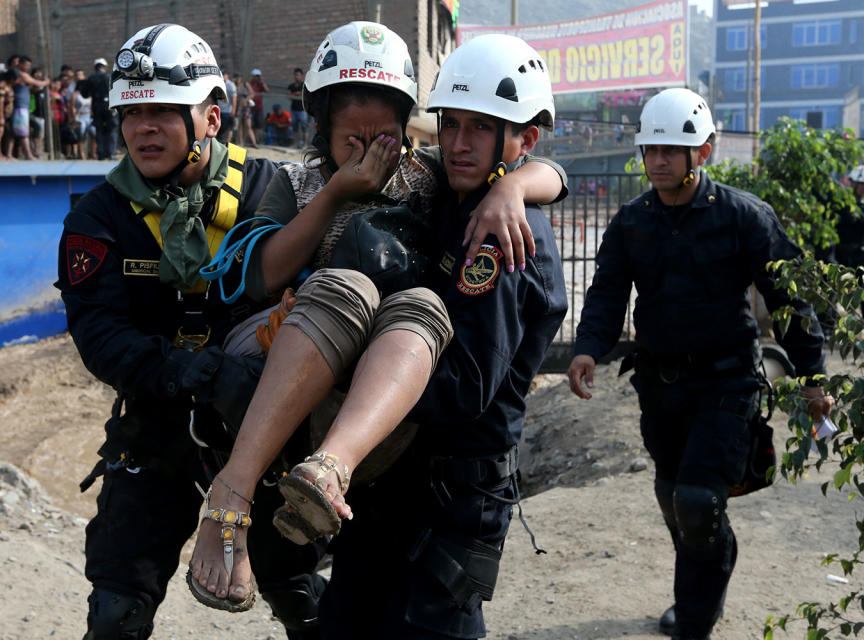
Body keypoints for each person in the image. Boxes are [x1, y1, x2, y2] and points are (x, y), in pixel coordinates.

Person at [186, 24, 566, 635]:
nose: (461, 142)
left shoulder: (453, 196)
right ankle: (234, 495)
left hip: (440, 478)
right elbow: (259, 276)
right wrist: (338, 195)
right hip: (351, 437)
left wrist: (521, 183)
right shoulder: (306, 185)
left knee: (418, 302)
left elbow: (467, 385)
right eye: (453, 126)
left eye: (382, 138)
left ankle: (319, 477)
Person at [55, 24, 346, 640]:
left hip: (259, 426)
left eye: (163, 110)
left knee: (300, 592)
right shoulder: (97, 216)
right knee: (116, 608)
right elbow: (98, 332)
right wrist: (181, 370)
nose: (143, 127)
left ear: (211, 117)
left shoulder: (274, 189)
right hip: (158, 421)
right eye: (132, 112)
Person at [566, 88, 834, 640]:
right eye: (650, 150)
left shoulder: (744, 217)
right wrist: (587, 348)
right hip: (660, 386)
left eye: (670, 150)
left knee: (696, 501)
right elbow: (608, 294)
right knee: (674, 499)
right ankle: (714, 559)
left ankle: (694, 621)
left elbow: (790, 304)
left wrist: (812, 381)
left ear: (703, 153)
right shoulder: (630, 223)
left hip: (728, 382)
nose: (658, 161)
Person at [83, 57, 118, 159]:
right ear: (105, 67)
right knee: (111, 129)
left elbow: (84, 94)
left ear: (95, 67)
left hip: (96, 107)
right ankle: (111, 153)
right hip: (109, 106)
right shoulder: (108, 77)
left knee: (99, 130)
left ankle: (101, 154)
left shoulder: (90, 78)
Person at [837, 166, 864, 269]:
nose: (863, 188)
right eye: (861, 184)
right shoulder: (842, 202)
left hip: (858, 258)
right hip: (840, 255)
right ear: (852, 182)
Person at [287, 67, 307, 149]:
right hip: (294, 109)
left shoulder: (305, 85)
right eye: (295, 75)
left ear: (302, 76)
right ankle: (295, 144)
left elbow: (306, 94)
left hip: (303, 110)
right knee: (294, 128)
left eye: (298, 75)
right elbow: (288, 96)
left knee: (304, 127)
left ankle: (305, 144)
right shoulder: (291, 86)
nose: (296, 77)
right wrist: (296, 94)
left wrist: (299, 93)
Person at [216, 68, 237, 145]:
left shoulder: (231, 85)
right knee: (218, 127)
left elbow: (234, 98)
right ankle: (219, 142)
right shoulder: (218, 83)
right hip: (219, 109)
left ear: (227, 76)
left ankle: (226, 143)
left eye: (224, 74)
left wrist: (233, 110)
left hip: (227, 111)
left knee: (226, 128)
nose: (222, 76)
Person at [247, 67, 269, 141]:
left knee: (258, 125)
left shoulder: (261, 84)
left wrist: (262, 82)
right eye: (255, 76)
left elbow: (267, 90)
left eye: (258, 76)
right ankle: (250, 139)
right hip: (250, 108)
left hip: (259, 108)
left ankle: (256, 139)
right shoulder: (249, 84)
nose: (256, 77)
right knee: (250, 124)